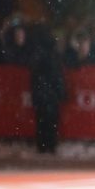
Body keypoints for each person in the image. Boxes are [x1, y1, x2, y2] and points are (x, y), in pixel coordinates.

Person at [27, 25, 67, 155]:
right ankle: (49, 144)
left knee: (42, 120)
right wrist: (60, 91)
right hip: (50, 93)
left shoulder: (37, 52)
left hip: (42, 93)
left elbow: (34, 75)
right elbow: (57, 74)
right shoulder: (52, 52)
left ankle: (43, 145)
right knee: (51, 120)